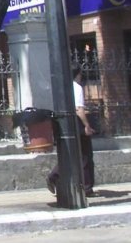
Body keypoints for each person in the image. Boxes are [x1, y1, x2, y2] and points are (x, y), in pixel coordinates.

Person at [47, 65, 97, 197]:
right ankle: (86, 187)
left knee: (71, 153)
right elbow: (79, 109)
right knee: (85, 155)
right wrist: (87, 126)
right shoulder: (77, 87)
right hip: (77, 123)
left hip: (64, 122)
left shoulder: (61, 86)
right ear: (78, 74)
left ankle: (55, 176)